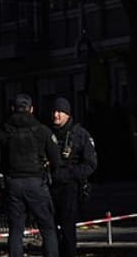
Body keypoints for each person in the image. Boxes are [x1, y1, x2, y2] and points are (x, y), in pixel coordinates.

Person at [0, 93, 61, 257]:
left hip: (13, 184)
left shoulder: (2, 132)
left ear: (12, 109)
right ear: (31, 109)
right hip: (37, 184)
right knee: (48, 228)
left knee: (16, 230)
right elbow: (56, 160)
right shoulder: (42, 131)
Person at [50, 97, 98, 257]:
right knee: (51, 231)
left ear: (67, 114)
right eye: (54, 111)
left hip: (71, 188)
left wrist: (69, 174)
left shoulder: (80, 134)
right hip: (50, 187)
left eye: (60, 112)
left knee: (68, 230)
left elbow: (90, 164)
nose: (56, 115)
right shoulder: (48, 134)